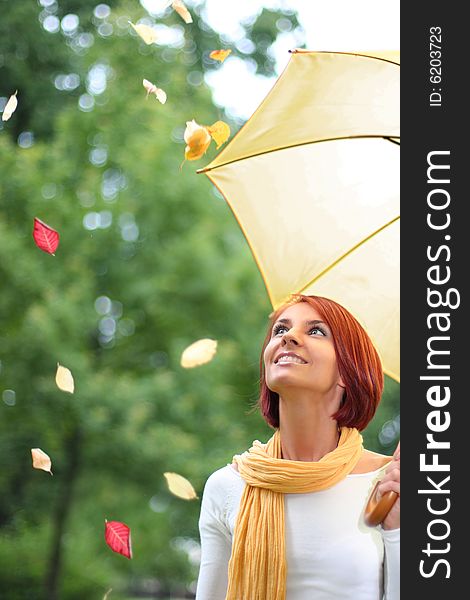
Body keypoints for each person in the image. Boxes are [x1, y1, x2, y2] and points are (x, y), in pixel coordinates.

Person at [195, 294, 400, 600]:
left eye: (315, 331)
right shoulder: (227, 486)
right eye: (280, 330)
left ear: (347, 372)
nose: (289, 336)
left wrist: (398, 531)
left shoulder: (389, 485)